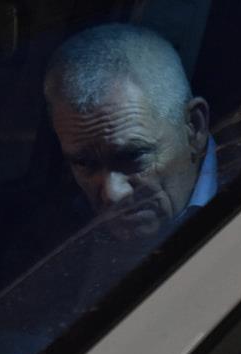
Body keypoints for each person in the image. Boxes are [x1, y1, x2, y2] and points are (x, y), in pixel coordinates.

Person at [43, 23, 217, 242]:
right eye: (84, 164)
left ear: (194, 127)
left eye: (133, 156)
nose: (114, 194)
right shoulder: (53, 235)